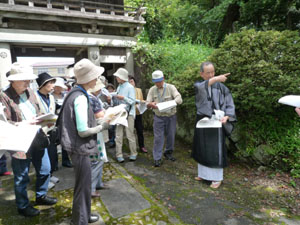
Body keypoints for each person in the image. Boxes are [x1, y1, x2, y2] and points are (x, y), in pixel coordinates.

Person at [57, 58, 109, 225]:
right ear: (88, 79)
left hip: (74, 146)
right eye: (95, 77)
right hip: (79, 147)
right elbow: (83, 130)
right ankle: (80, 220)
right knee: (83, 186)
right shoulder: (80, 97)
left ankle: (84, 215)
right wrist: (102, 127)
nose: (97, 80)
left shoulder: (75, 93)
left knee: (84, 184)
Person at [1, 62, 57, 217]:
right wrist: (23, 123)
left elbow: (37, 111)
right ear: (13, 80)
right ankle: (23, 205)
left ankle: (41, 196)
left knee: (45, 169)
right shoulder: (4, 96)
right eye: (24, 79)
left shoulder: (30, 92)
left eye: (28, 80)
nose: (28, 82)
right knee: (21, 177)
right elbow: (3, 123)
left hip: (37, 137)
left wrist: (45, 120)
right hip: (19, 142)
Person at [192, 61, 236, 189]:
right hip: (202, 121)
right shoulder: (198, 85)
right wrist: (217, 78)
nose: (211, 75)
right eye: (208, 73)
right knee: (202, 147)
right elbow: (201, 88)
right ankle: (203, 174)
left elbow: (229, 104)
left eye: (213, 72)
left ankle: (216, 178)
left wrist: (227, 116)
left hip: (216, 121)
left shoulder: (223, 88)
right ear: (201, 74)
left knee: (215, 149)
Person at [146, 70, 182, 167]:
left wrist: (170, 103)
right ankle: (157, 158)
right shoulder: (152, 89)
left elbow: (179, 99)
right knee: (158, 138)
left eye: (159, 81)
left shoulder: (171, 87)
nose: (158, 84)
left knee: (171, 135)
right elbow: (147, 103)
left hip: (171, 116)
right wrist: (150, 104)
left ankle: (168, 152)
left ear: (163, 79)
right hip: (158, 117)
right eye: (156, 82)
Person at [35, 73, 59, 189]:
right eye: (50, 83)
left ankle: (50, 175)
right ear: (43, 84)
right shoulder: (35, 97)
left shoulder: (51, 97)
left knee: (52, 155)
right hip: (41, 132)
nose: (53, 85)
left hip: (51, 130)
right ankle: (44, 182)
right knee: (42, 159)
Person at [88, 78, 109, 198]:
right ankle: (91, 188)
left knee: (99, 159)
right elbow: (100, 115)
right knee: (97, 160)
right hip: (94, 132)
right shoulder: (92, 99)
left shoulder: (89, 97)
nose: (101, 89)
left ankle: (98, 183)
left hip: (94, 131)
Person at [112, 68, 137, 163]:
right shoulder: (119, 86)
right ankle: (119, 154)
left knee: (130, 134)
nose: (116, 78)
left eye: (117, 76)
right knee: (118, 135)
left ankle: (133, 153)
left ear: (122, 77)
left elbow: (132, 101)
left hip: (129, 113)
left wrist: (123, 98)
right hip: (120, 113)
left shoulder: (130, 87)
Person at [53, 77, 73, 168]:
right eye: (56, 86)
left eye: (59, 87)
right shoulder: (50, 96)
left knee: (65, 141)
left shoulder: (65, 95)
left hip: (65, 120)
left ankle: (66, 160)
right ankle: (54, 163)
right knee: (54, 142)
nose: (58, 88)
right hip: (54, 121)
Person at [129, 75, 147, 153]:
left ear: (134, 82)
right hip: (130, 113)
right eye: (128, 82)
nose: (130, 83)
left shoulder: (138, 90)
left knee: (140, 130)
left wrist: (143, 102)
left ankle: (141, 146)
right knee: (130, 131)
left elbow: (141, 99)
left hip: (138, 112)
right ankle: (132, 148)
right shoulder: (126, 91)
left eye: (131, 81)